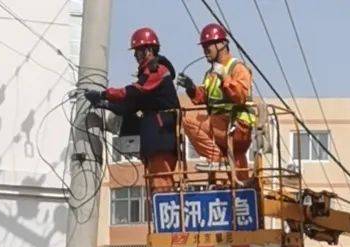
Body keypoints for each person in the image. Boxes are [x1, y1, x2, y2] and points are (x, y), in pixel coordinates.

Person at [85, 27, 180, 192]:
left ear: (149, 50)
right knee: (155, 185)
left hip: (161, 136)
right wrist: (103, 103)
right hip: (155, 137)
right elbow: (130, 105)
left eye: (138, 52)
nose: (135, 56)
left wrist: (103, 94)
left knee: (161, 185)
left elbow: (132, 92)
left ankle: (166, 212)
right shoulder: (149, 74)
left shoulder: (156, 70)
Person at [176, 23, 255, 180]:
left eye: (208, 46)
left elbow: (240, 96)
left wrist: (224, 77)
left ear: (222, 44)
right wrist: (191, 87)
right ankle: (239, 184)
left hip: (237, 125)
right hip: (223, 125)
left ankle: (216, 158)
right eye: (204, 47)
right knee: (237, 178)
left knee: (190, 120)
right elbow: (203, 97)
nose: (205, 51)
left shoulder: (237, 68)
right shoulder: (211, 73)